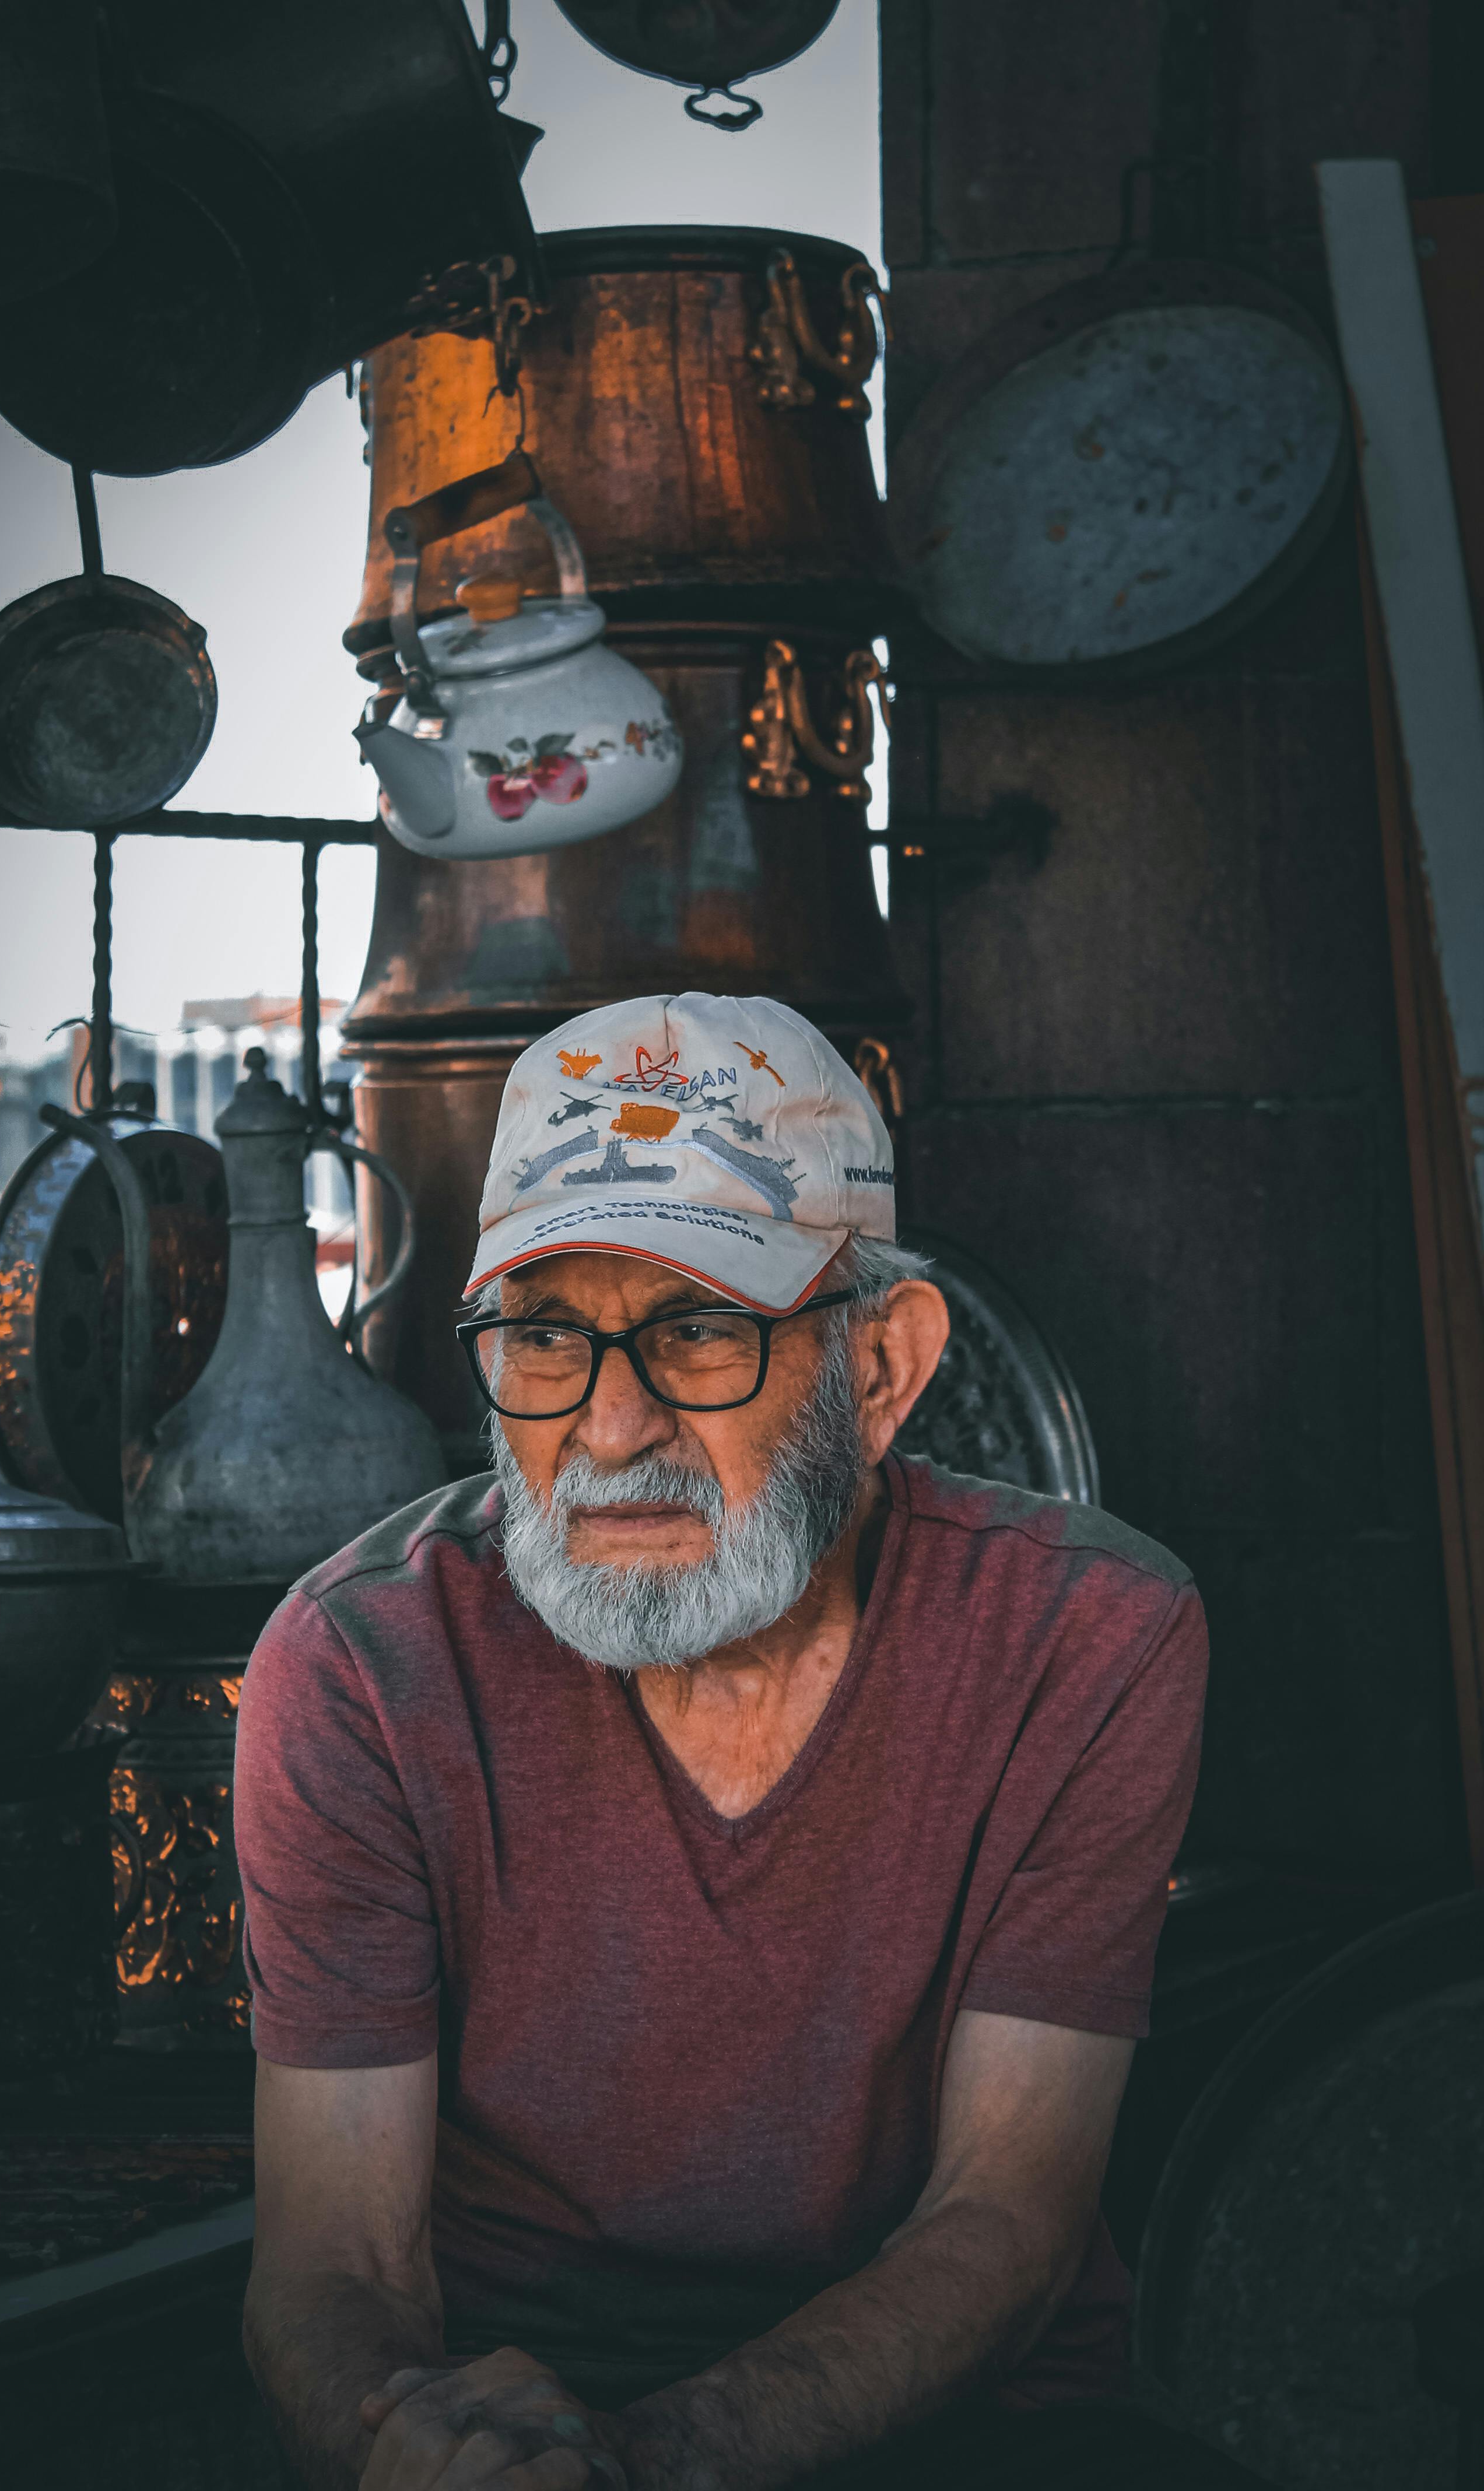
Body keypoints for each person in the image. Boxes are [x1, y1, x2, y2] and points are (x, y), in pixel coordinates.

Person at [236, 991, 1262, 2491]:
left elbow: (1004, 2220)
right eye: (540, 1336)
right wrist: (419, 2440)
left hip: (969, 2428)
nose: (606, 1431)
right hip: (512, 2421)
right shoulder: (359, 1669)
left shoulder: (1086, 1636)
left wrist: (653, 2462)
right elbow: (335, 2266)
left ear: (880, 1369)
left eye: (698, 1332)